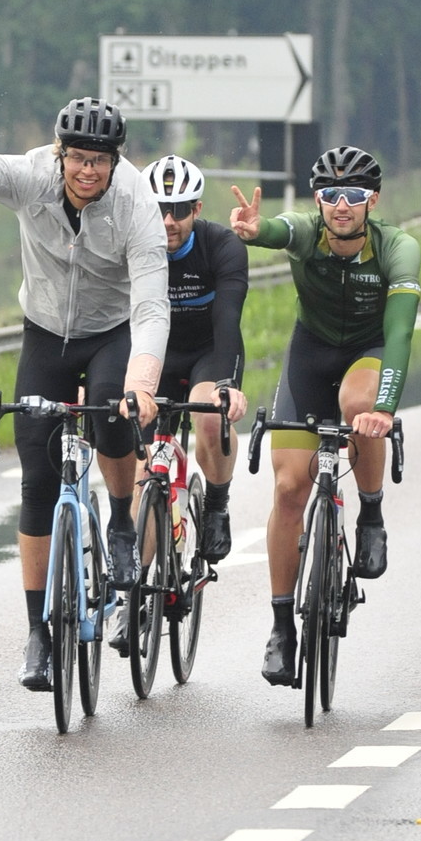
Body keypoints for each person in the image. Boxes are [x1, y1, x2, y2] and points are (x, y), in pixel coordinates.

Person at [0, 67, 168, 692]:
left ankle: (120, 519)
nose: (87, 171)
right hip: (46, 332)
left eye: (99, 161)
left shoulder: (137, 202)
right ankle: (37, 633)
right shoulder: (31, 176)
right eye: (77, 158)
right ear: (60, 154)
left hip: (110, 332)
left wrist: (141, 384)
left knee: (112, 414)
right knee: (36, 475)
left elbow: (151, 307)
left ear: (115, 162)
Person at [229, 146, 421, 688]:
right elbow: (279, 230)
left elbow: (401, 332)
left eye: (354, 195)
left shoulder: (397, 248)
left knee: (358, 407)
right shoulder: (307, 230)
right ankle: (281, 627)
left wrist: (384, 409)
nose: (341, 205)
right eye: (331, 194)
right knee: (289, 489)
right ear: (318, 199)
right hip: (310, 354)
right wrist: (255, 230)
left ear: (372, 201)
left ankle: (371, 514)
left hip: (369, 350)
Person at [143, 155, 249, 564]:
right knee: (140, 472)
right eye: (158, 210)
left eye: (179, 210)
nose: (168, 221)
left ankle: (217, 504)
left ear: (197, 209)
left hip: (208, 352)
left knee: (209, 417)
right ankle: (136, 590)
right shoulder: (133, 247)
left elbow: (228, 320)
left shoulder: (221, 246)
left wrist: (227, 386)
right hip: (155, 356)